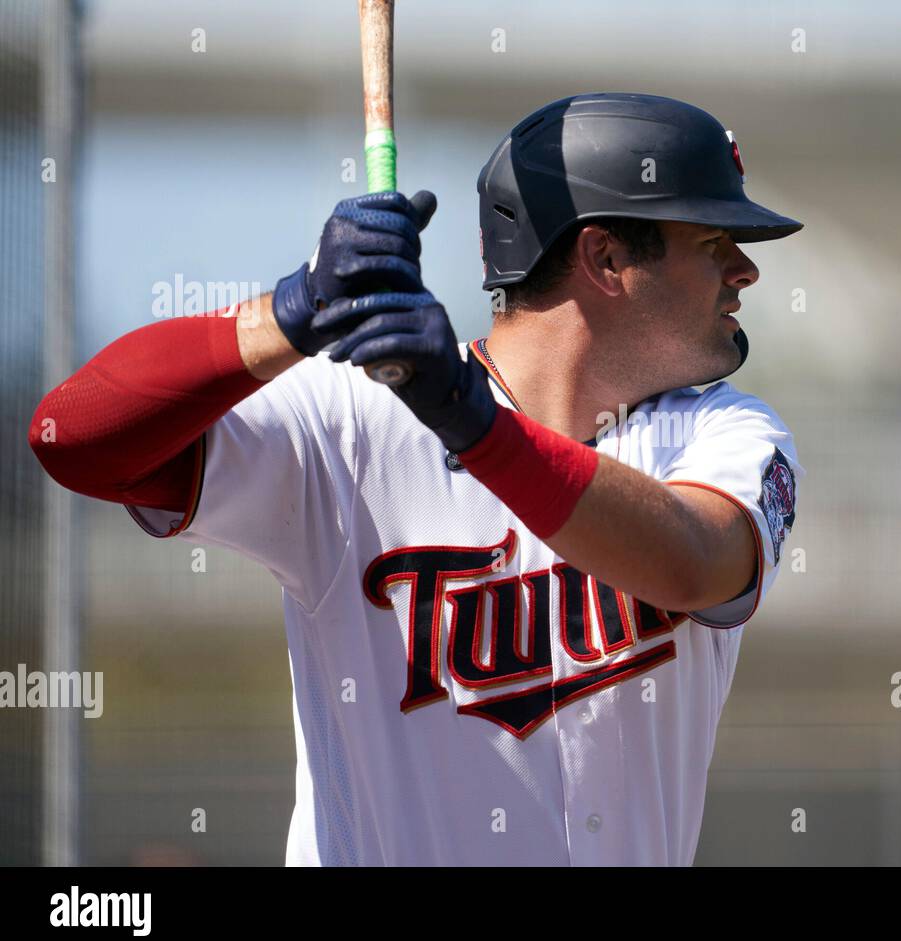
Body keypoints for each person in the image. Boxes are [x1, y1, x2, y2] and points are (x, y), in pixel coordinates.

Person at [29, 92, 805, 865]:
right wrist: (295, 311)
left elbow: (693, 562)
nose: (746, 270)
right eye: (713, 241)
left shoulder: (719, 432)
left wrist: (471, 421)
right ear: (605, 258)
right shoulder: (350, 421)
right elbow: (73, 438)